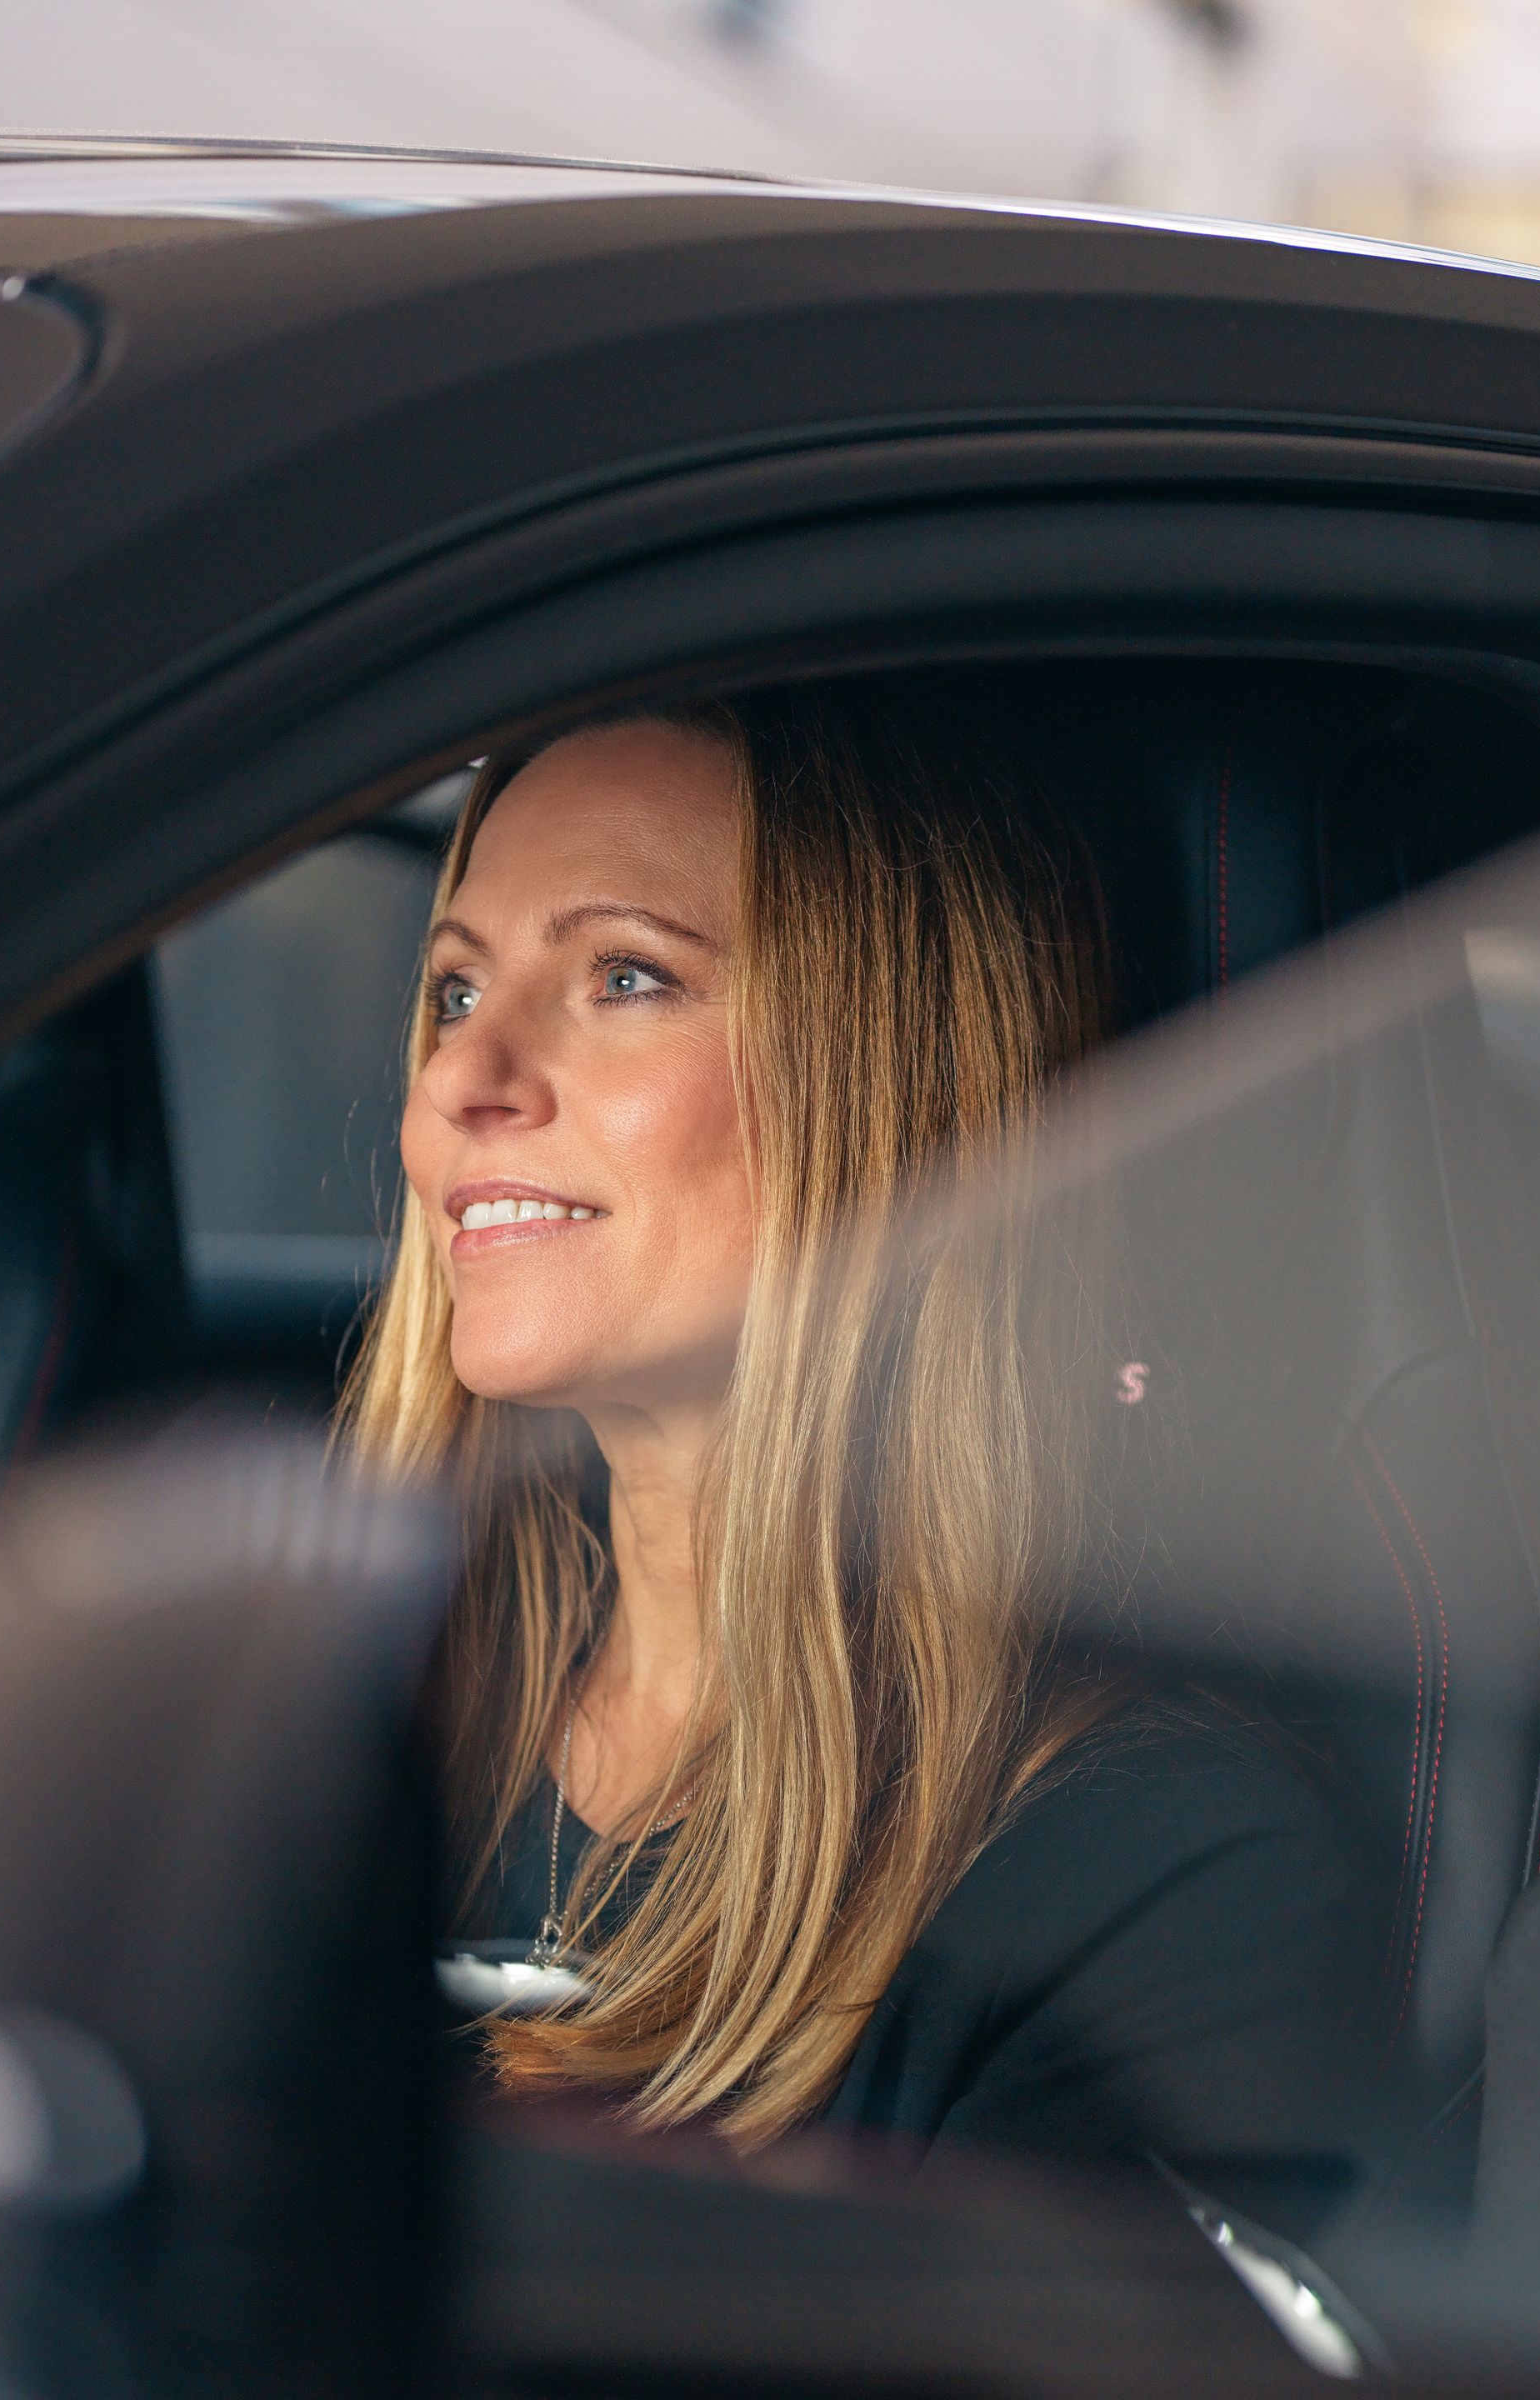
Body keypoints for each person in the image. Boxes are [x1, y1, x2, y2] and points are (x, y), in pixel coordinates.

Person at [339, 686, 1394, 2201]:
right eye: (453, 991)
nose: (463, 1080)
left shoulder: (1154, 1878)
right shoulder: (362, 1735)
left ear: (897, 1086)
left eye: (624, 975)